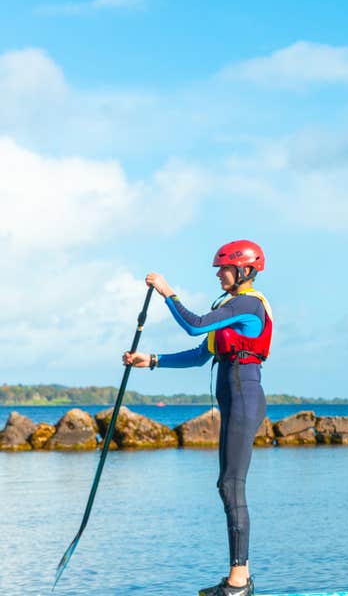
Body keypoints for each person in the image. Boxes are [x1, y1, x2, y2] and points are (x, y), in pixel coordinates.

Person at [123, 240, 273, 596]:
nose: (219, 274)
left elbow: (194, 325)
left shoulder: (248, 304)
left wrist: (167, 292)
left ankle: (239, 582)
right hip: (235, 399)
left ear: (244, 271)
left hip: (244, 397)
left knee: (232, 484)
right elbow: (198, 354)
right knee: (226, 484)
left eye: (223, 268)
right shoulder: (232, 309)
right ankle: (240, 578)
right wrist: (152, 360)